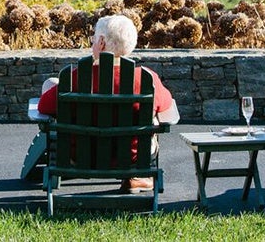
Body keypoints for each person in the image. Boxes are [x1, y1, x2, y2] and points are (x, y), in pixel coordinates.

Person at [37, 14, 179, 193]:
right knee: (154, 118)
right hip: (131, 158)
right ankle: (136, 177)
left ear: (102, 42)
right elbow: (167, 107)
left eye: (94, 38)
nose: (92, 43)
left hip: (80, 157)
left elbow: (43, 108)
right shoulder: (146, 79)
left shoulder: (75, 79)